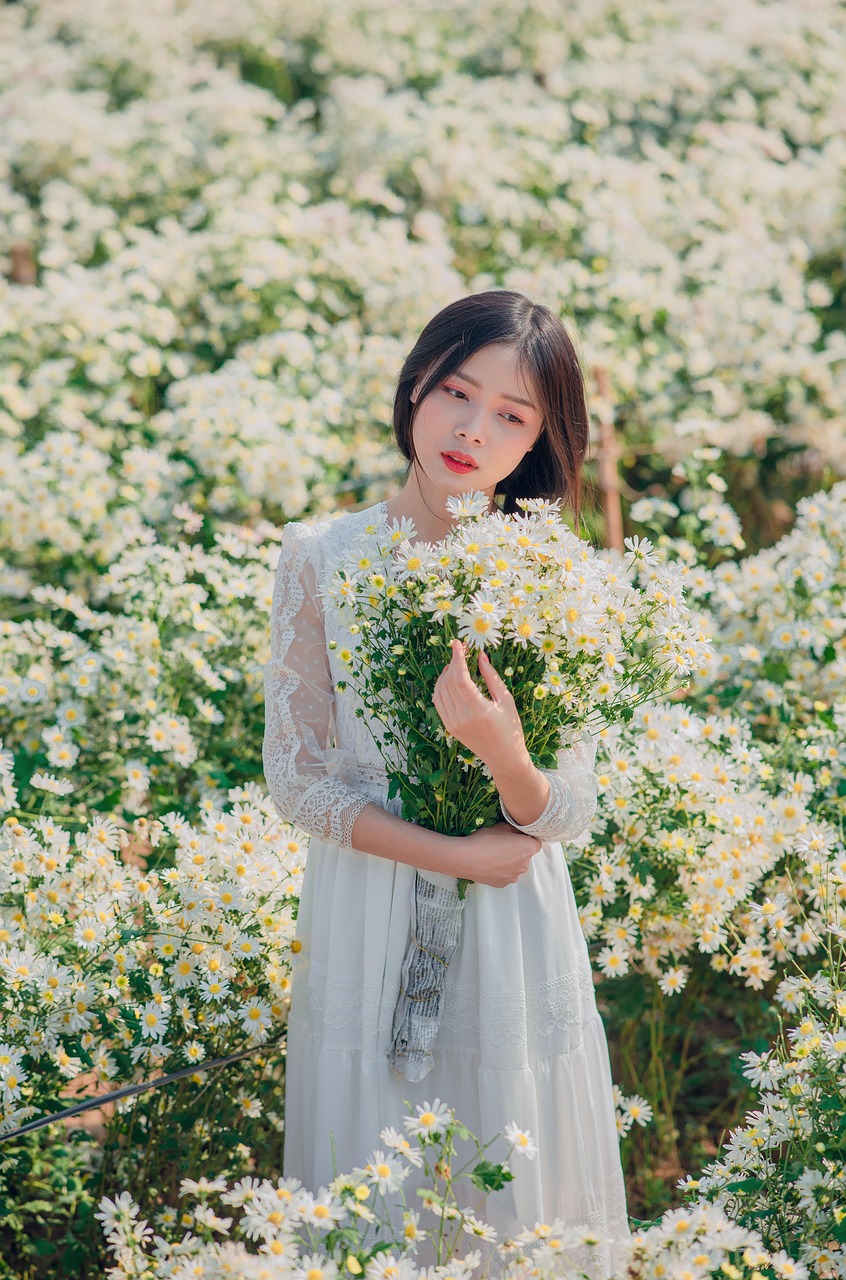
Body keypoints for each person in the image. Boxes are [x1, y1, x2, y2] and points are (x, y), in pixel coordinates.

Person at [262, 289, 633, 1273]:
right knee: (371, 1195)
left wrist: (503, 755)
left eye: (512, 414)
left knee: (512, 1185)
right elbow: (297, 777)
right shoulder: (321, 557)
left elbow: (570, 806)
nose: (472, 428)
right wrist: (452, 852)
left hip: (513, 933)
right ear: (415, 384)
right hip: (366, 916)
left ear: (544, 438)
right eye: (456, 391)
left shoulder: (562, 573)